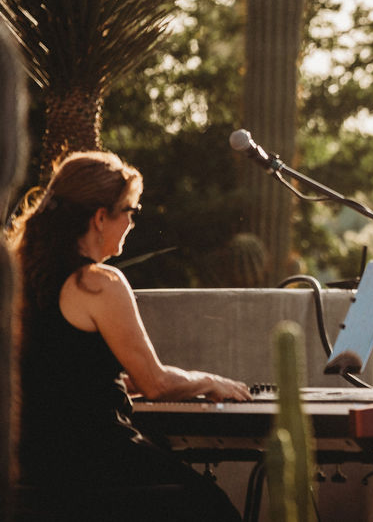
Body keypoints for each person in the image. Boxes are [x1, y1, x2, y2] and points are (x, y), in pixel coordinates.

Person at [9, 151, 252, 521]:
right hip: (97, 465)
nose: (133, 223)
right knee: (214, 508)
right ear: (100, 217)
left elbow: (57, 373)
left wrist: (121, 384)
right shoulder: (97, 283)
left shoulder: (19, 279)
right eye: (131, 211)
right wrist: (208, 380)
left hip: (30, 468)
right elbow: (155, 383)